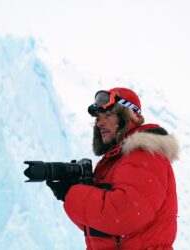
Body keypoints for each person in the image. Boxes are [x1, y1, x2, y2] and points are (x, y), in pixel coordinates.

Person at [47, 87, 179, 250]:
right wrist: (69, 193)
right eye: (98, 118)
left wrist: (77, 193)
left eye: (108, 115)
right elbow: (101, 227)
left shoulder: (144, 154)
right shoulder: (115, 161)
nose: (100, 123)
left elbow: (123, 215)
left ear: (131, 116)